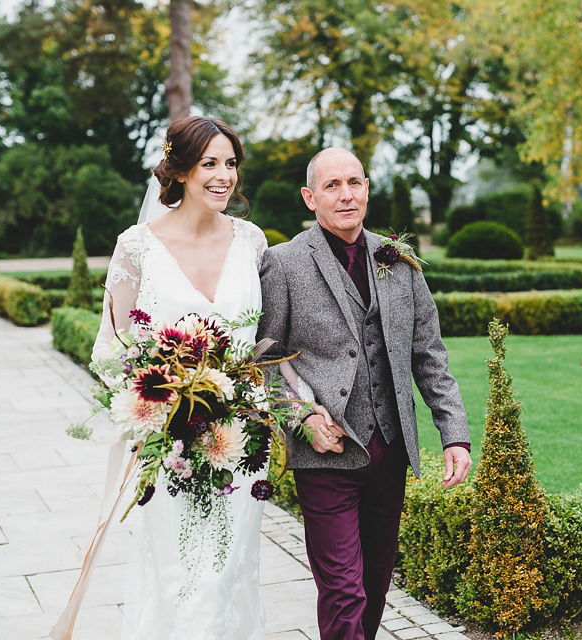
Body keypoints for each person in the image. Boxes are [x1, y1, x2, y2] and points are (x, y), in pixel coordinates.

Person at [257, 147, 473, 640]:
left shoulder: (398, 260)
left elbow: (430, 356)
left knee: (374, 586)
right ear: (311, 198)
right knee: (343, 590)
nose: (346, 194)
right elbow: (265, 359)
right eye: (332, 186)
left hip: (391, 450)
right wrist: (302, 418)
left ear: (368, 189)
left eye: (354, 182)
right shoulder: (284, 263)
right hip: (326, 453)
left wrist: (453, 434)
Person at [92, 116, 268, 639]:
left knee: (228, 570)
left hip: (239, 439)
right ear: (181, 171)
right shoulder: (137, 245)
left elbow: (263, 340)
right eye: (209, 163)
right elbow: (111, 349)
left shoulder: (252, 241)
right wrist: (158, 403)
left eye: (231, 163)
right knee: (175, 570)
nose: (224, 176)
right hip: (166, 441)